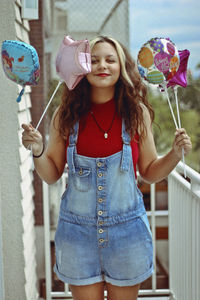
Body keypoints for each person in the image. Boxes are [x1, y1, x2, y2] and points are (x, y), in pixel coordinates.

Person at [22, 36, 192, 300]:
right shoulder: (65, 115)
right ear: (82, 66)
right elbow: (51, 173)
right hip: (78, 236)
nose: (103, 65)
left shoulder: (137, 113)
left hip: (128, 235)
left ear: (121, 66)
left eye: (110, 59)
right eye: (94, 59)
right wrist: (37, 151)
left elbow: (148, 171)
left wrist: (175, 154)